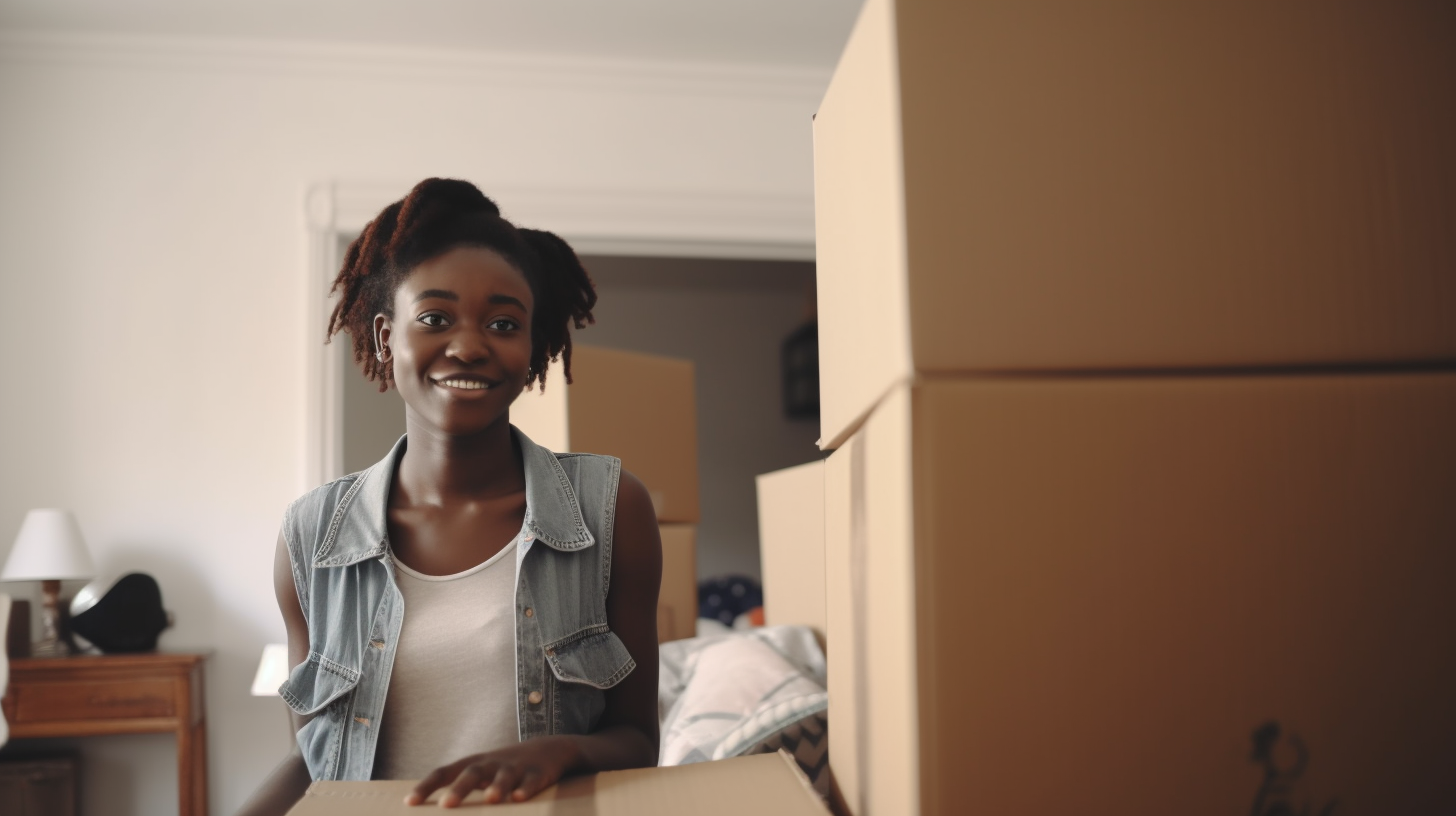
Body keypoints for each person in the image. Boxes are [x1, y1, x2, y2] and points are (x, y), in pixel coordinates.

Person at [237, 178, 662, 814]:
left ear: (532, 343)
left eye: (502, 323)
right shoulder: (311, 535)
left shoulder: (611, 510)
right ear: (386, 338)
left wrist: (558, 751)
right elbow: (316, 759)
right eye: (434, 318)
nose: (468, 345)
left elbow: (638, 738)